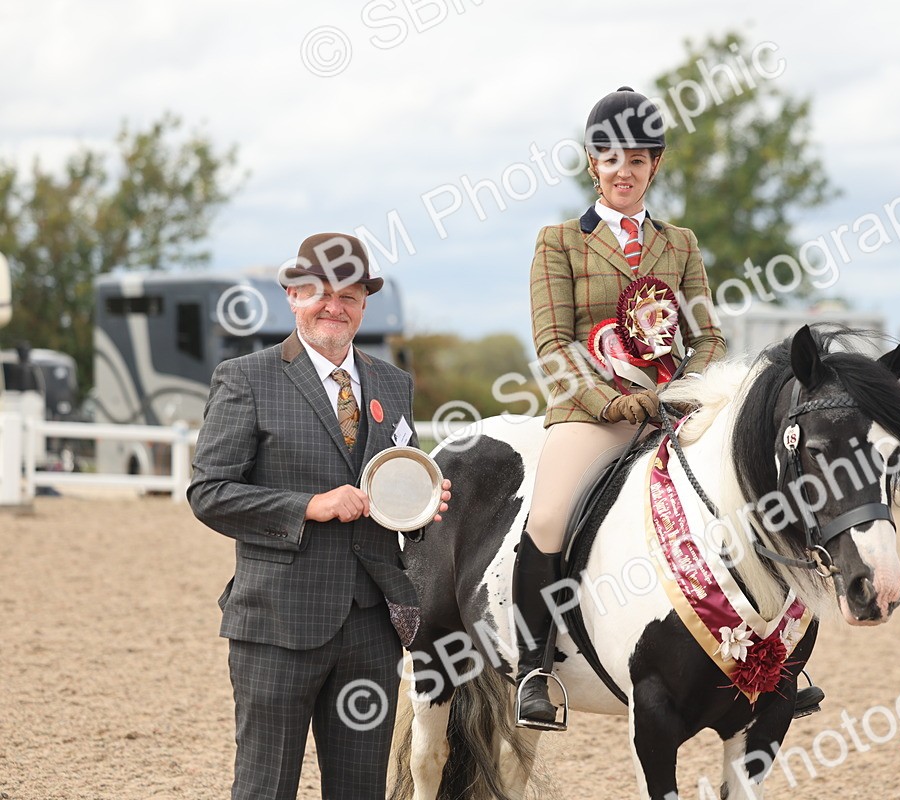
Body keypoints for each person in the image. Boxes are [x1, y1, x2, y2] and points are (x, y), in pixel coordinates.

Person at [188, 232, 452, 799]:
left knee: (360, 790)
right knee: (266, 787)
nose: (334, 306)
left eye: (350, 296)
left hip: (371, 627)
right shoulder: (247, 378)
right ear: (291, 295)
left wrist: (421, 503)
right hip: (277, 622)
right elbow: (209, 492)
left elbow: (391, 478)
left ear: (364, 305)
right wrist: (309, 506)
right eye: (320, 293)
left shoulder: (392, 384)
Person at [515, 86, 731, 730]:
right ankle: (534, 668)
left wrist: (674, 396)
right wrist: (615, 403)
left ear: (654, 167)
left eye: (637, 160)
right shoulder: (560, 242)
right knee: (549, 516)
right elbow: (553, 345)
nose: (623, 170)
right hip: (592, 412)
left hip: (673, 409)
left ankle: (772, 662)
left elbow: (709, 336)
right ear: (592, 164)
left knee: (743, 490)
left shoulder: (682, 243)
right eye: (610, 158)